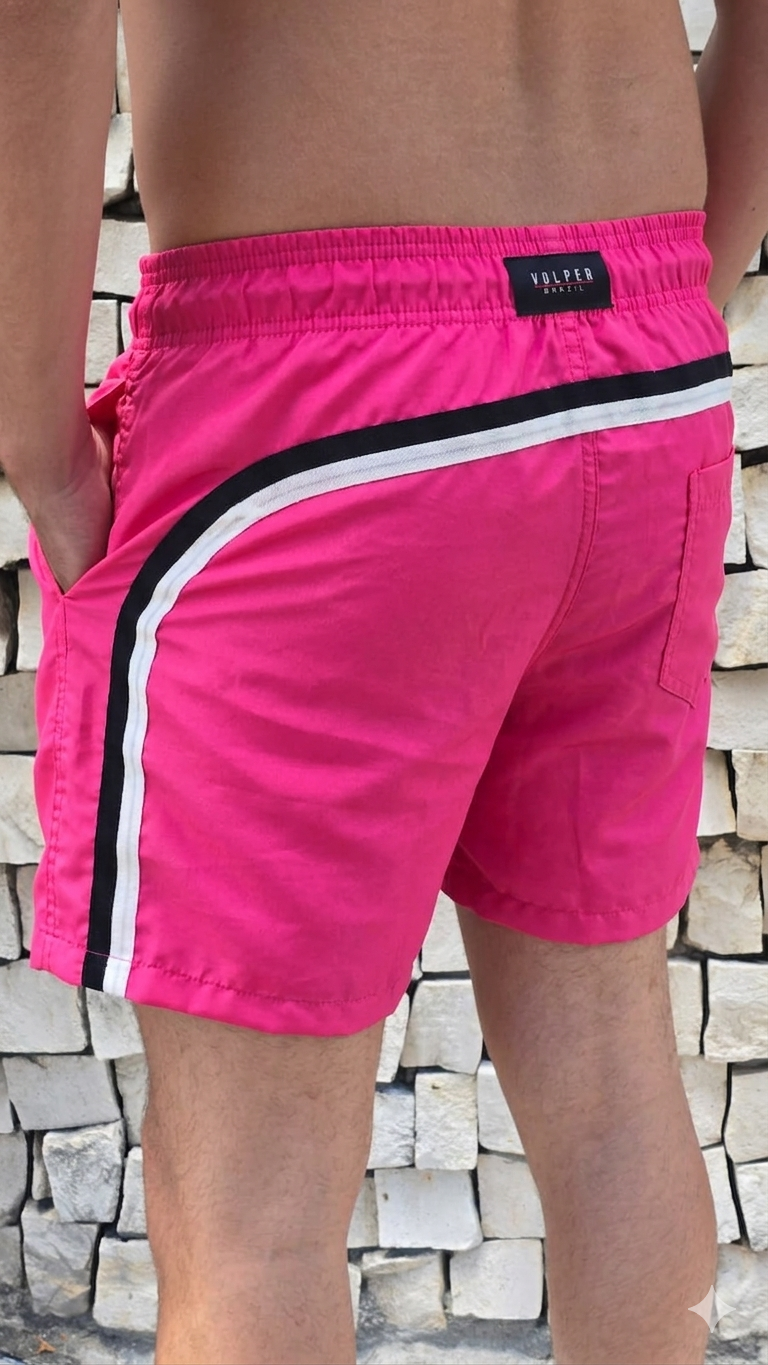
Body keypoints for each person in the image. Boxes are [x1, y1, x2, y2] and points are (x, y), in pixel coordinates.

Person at [1, 1, 766, 1361]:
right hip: (642, 355)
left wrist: (35, 442)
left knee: (248, 1209)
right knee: (610, 1089)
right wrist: (683, 299)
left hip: (323, 393)